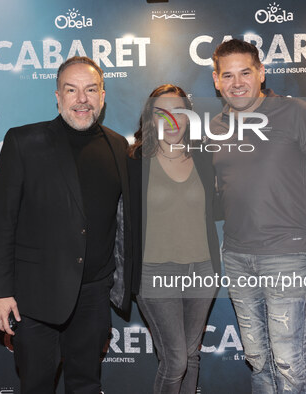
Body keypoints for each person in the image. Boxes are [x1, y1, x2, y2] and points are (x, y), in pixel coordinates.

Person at [0, 56, 133, 394]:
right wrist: (0, 292)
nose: (82, 99)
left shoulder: (118, 146)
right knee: (36, 386)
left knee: (86, 384)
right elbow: (1, 223)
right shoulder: (23, 142)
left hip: (94, 294)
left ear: (103, 95)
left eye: (90, 89)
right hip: (34, 300)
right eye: (72, 90)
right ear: (58, 96)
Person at [210, 39, 306, 393]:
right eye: (228, 75)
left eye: (245, 73)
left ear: (261, 73)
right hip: (237, 257)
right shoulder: (215, 127)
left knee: (288, 359)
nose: (237, 82)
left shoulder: (294, 112)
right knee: (257, 357)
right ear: (216, 80)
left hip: (288, 254)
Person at [128, 84, 221, 393]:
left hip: (203, 271)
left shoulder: (204, 158)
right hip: (154, 273)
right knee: (176, 360)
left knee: (192, 356)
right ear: (150, 118)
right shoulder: (135, 162)